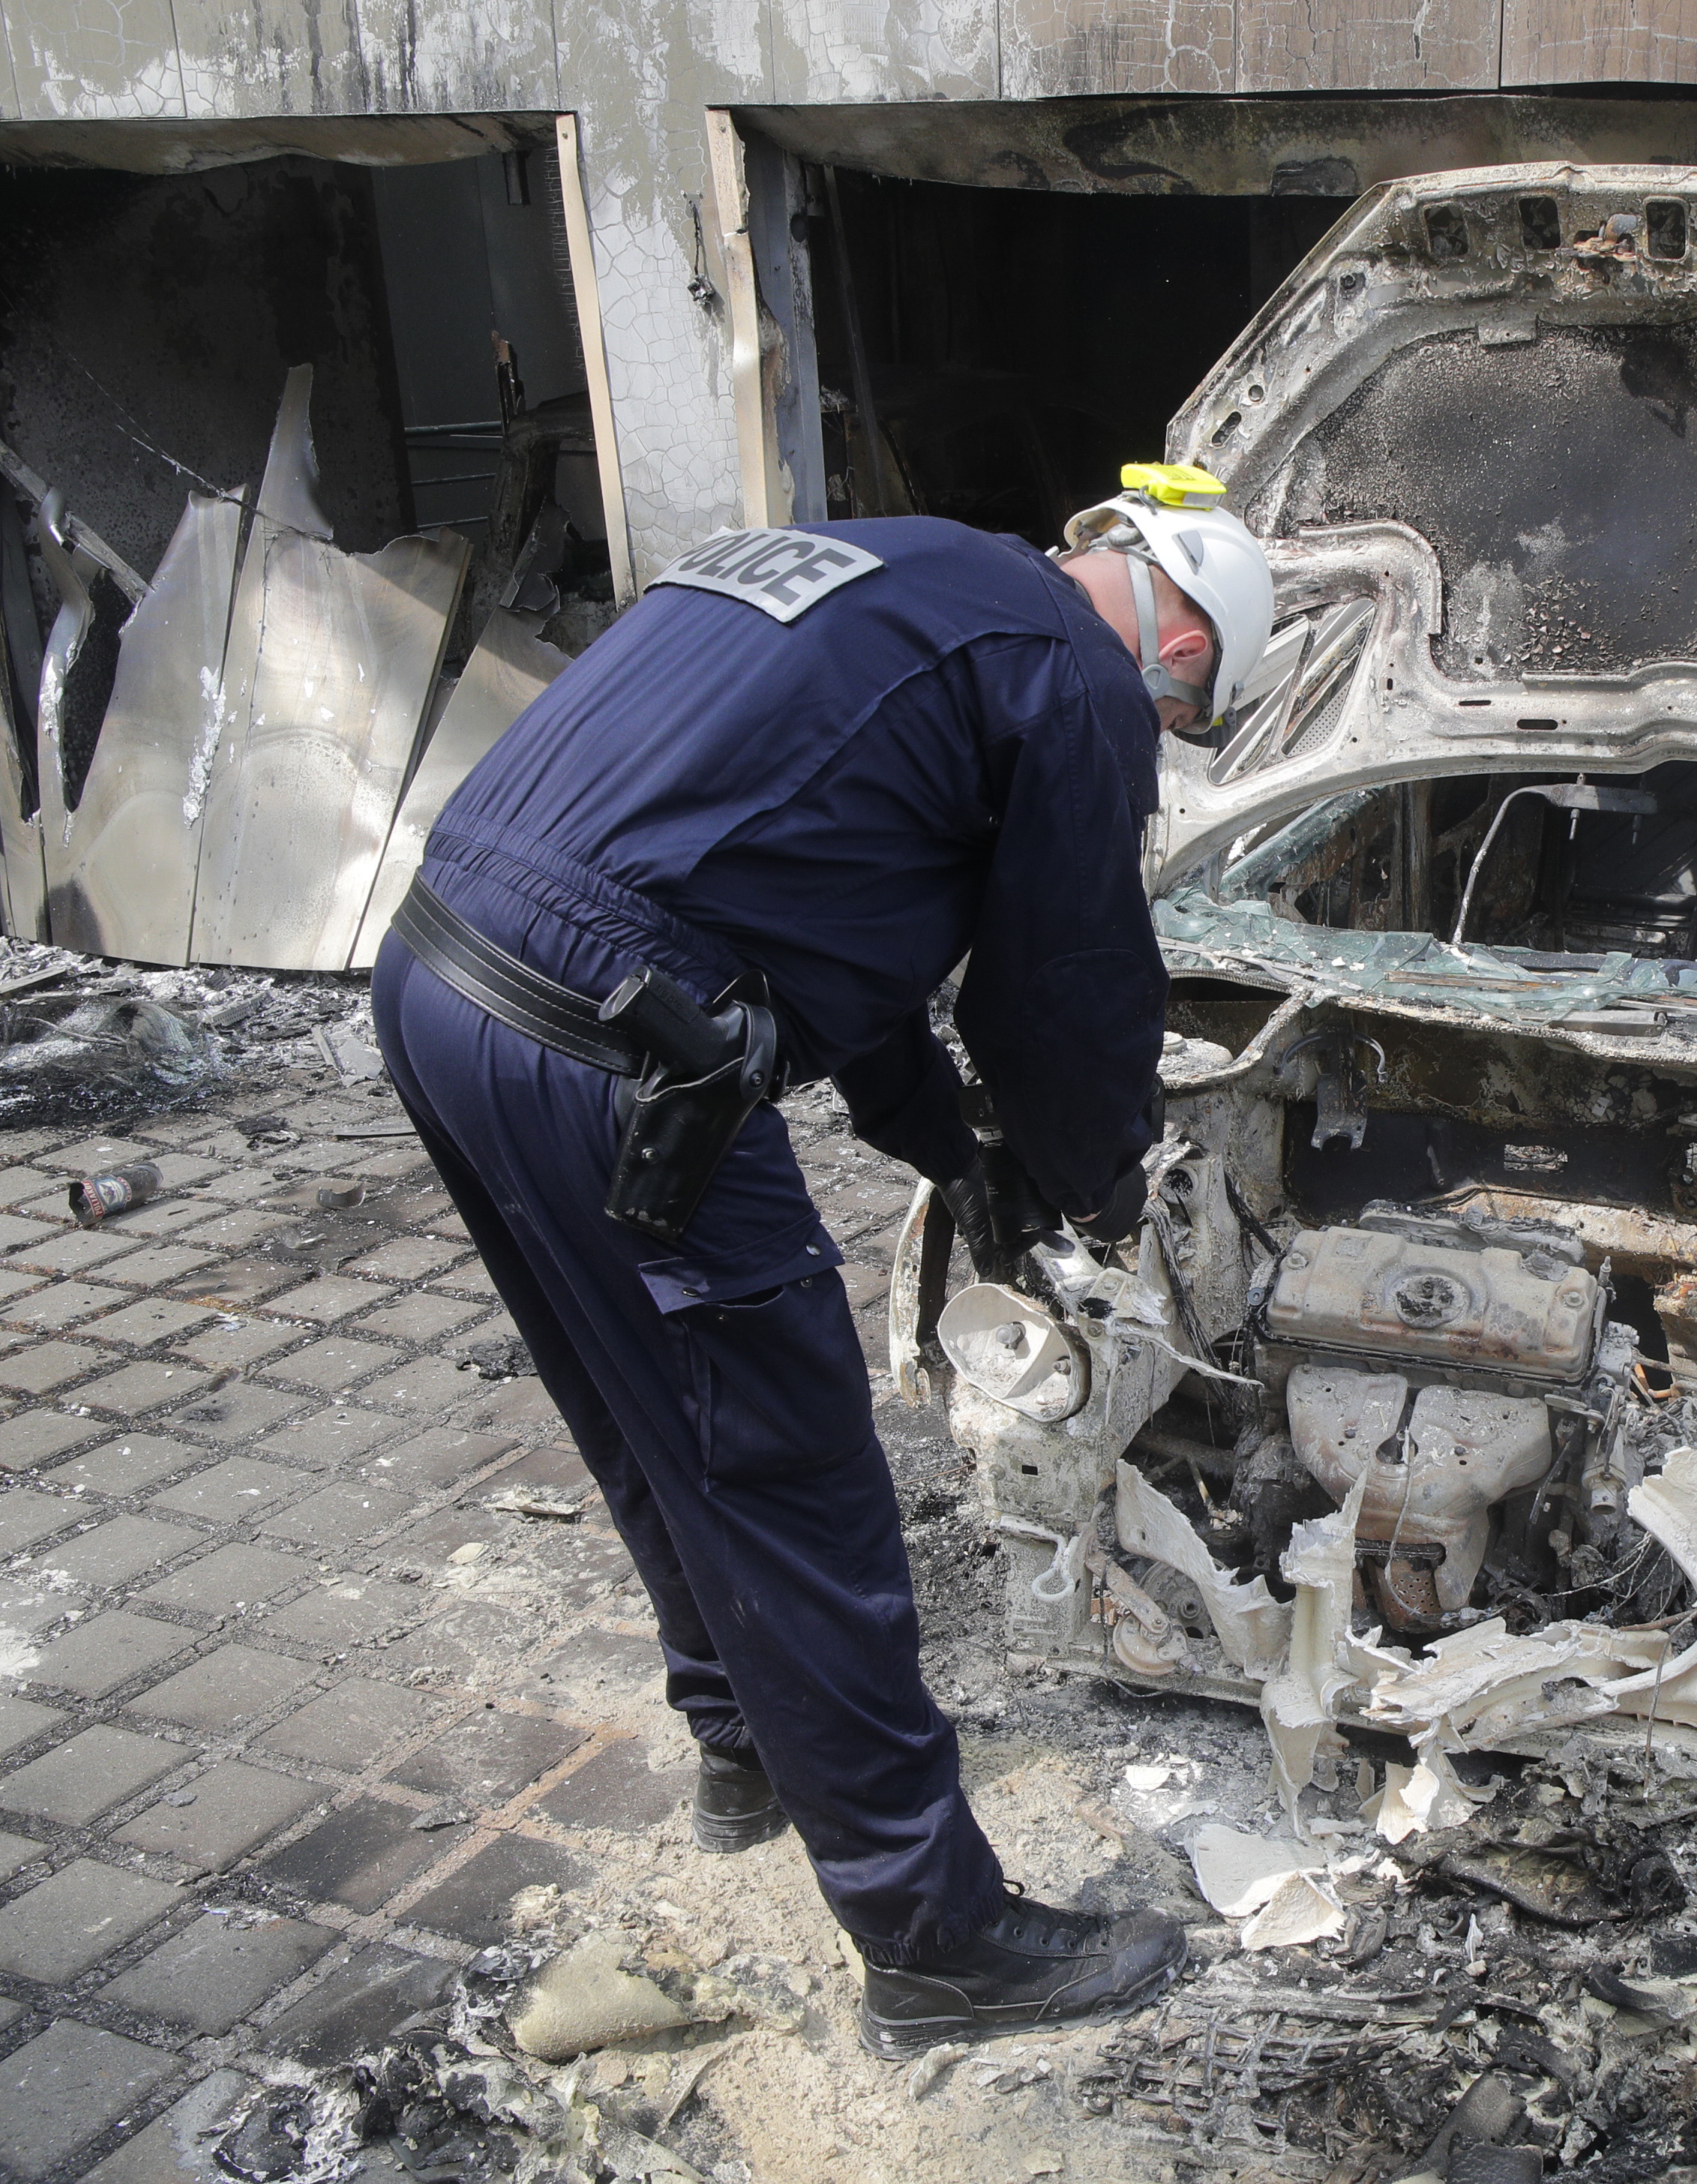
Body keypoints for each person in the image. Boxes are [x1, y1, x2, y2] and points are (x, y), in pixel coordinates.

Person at [369, 466, 1274, 2057]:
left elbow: (843, 922)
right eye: (1183, 721)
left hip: (444, 971)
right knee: (791, 1479)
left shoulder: (888, 565)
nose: (1161, 735)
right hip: (620, 1046)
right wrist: (1105, 1186)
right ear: (1185, 647)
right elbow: (1055, 994)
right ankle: (936, 1937)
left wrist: (953, 1152)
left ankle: (742, 1747)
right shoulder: (1076, 678)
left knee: (647, 1417)